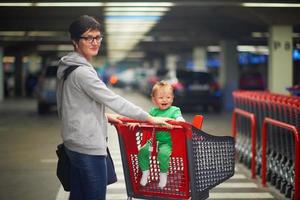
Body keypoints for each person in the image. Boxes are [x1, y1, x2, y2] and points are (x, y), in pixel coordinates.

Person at [56, 15, 172, 200]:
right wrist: (149, 118)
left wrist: (105, 116)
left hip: (74, 144)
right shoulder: (83, 72)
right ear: (75, 41)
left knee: (79, 196)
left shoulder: (68, 68)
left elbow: (71, 105)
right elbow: (114, 99)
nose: (95, 42)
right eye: (88, 38)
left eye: (98, 37)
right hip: (88, 147)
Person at [138, 80, 184, 188]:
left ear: (172, 98)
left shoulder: (174, 110)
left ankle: (163, 175)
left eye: (168, 97)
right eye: (161, 98)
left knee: (163, 155)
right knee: (142, 152)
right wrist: (136, 123)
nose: (165, 100)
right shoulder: (153, 111)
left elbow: (179, 118)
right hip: (153, 141)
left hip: (167, 142)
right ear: (154, 99)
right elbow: (145, 119)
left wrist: (180, 121)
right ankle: (145, 172)